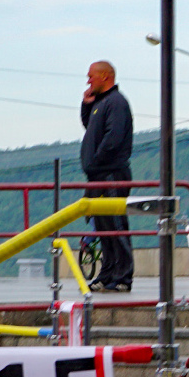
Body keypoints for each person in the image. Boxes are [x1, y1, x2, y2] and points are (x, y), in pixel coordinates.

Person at [80, 60, 135, 292]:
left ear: (105, 76)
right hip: (99, 176)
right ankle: (108, 273)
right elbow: (90, 126)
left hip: (111, 173)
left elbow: (113, 138)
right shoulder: (100, 104)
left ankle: (123, 276)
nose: (88, 80)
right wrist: (85, 105)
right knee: (103, 229)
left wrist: (96, 160)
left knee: (116, 226)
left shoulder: (117, 102)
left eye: (91, 76)